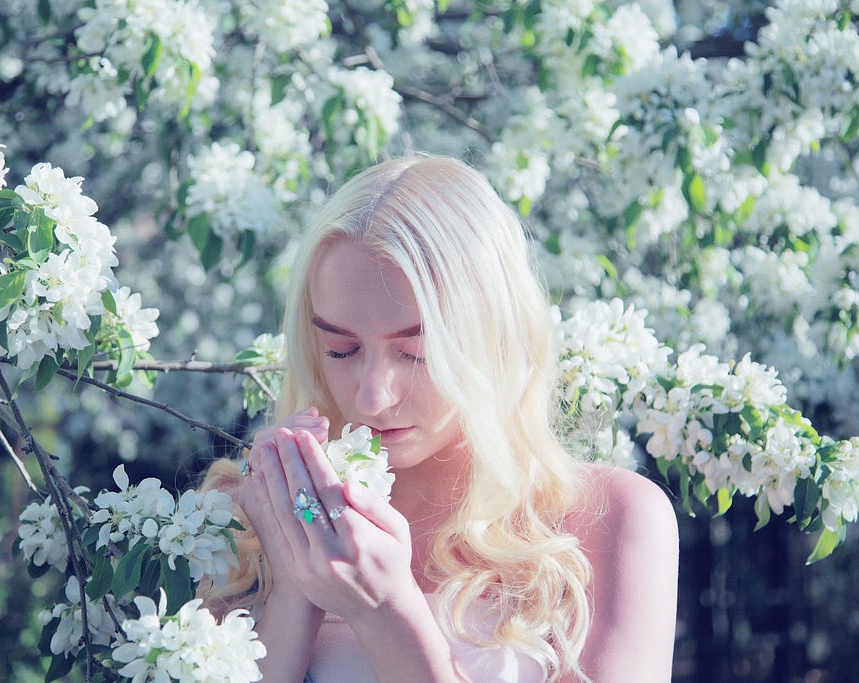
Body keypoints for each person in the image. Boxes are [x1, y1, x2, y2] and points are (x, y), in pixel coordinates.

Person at [201, 155, 679, 682]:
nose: (372, 398)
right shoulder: (244, 515)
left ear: (496, 334)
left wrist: (387, 611)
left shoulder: (608, 519)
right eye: (341, 349)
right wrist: (295, 581)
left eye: (416, 353)